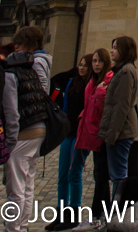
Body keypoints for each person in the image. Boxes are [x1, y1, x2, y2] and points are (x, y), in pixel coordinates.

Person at [1, 26, 51, 232]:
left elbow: (12, 112)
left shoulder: (12, 74)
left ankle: (13, 228)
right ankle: (22, 225)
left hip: (23, 132)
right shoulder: (32, 69)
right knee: (28, 184)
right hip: (39, 128)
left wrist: (10, 142)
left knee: (16, 189)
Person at [44, 55, 93, 232]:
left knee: (74, 173)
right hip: (68, 133)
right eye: (79, 65)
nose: (81, 68)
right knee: (62, 174)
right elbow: (57, 81)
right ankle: (60, 212)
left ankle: (73, 214)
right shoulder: (71, 82)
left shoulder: (91, 85)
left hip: (81, 134)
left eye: (85, 66)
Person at [73, 49, 113, 232]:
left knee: (101, 175)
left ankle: (97, 214)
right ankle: (105, 214)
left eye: (99, 61)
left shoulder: (107, 81)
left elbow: (104, 107)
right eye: (94, 61)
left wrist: (101, 92)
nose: (96, 64)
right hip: (92, 132)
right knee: (100, 176)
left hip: (102, 133)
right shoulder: (94, 81)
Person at [98, 37, 138, 198]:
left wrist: (112, 134)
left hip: (120, 132)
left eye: (115, 48)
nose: (112, 51)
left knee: (118, 176)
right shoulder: (122, 70)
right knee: (117, 174)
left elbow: (121, 106)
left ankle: (117, 214)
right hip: (118, 130)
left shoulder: (126, 72)